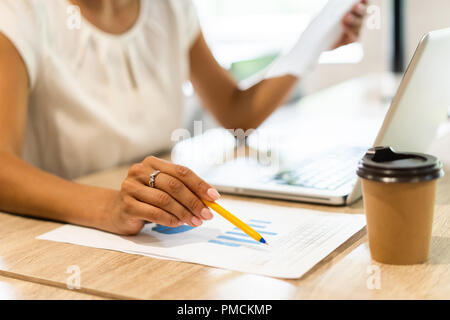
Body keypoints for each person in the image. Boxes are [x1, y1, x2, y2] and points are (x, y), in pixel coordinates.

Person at [0, 0, 367, 235]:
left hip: (155, 227)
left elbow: (239, 112)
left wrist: (315, 40)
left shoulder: (170, 8)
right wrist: (110, 206)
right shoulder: (20, 13)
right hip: (62, 234)